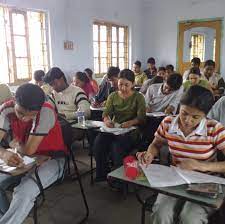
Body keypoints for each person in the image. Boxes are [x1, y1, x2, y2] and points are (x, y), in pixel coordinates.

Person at [137, 85, 225, 224]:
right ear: (179, 107)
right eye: (184, 113)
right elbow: (156, 144)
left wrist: (200, 166)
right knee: (162, 212)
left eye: (195, 117)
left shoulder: (214, 129)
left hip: (206, 182)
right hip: (176, 179)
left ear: (205, 115)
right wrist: (150, 154)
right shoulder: (168, 123)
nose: (188, 120)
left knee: (190, 218)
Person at [0, 83, 67, 224]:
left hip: (53, 159)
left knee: (24, 192)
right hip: (25, 160)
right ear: (14, 100)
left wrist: (14, 144)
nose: (24, 119)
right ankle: (11, 217)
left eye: (31, 116)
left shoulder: (46, 111)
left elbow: (29, 150)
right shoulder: (6, 109)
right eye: (20, 113)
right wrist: (5, 153)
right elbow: (29, 152)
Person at [93, 69, 146, 181]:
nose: (123, 88)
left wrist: (131, 122)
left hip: (131, 131)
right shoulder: (113, 96)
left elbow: (141, 118)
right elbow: (106, 114)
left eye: (126, 85)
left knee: (117, 147)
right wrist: (107, 120)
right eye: (120, 84)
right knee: (98, 142)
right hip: (115, 129)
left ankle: (120, 179)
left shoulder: (138, 97)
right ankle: (103, 174)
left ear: (133, 84)